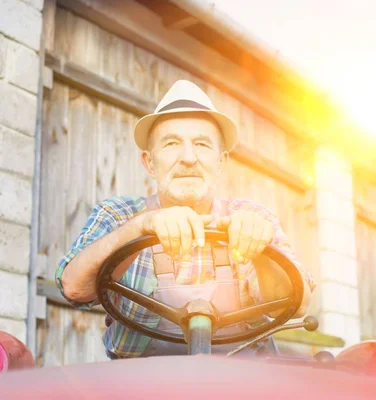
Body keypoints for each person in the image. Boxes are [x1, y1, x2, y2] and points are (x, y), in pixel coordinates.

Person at [55, 80, 315, 359]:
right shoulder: (119, 215)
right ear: (149, 162)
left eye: (202, 144)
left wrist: (262, 252)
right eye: (171, 144)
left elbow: (297, 305)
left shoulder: (254, 218)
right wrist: (140, 227)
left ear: (221, 162)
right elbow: (74, 288)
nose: (188, 158)